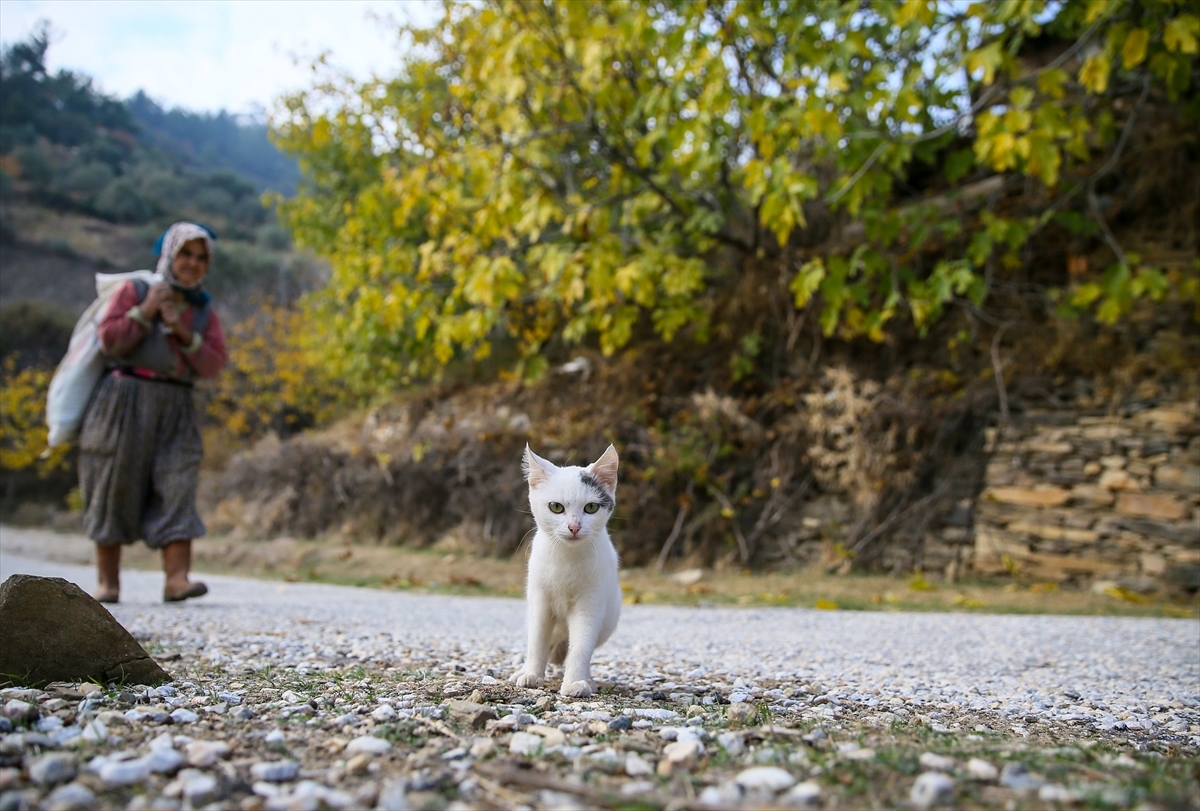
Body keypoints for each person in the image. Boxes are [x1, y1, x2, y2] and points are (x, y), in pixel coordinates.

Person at [78, 221, 228, 603]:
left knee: (178, 481)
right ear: (169, 255)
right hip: (123, 399)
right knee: (113, 480)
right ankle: (108, 583)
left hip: (176, 404)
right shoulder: (136, 290)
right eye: (185, 254)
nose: (193, 263)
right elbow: (109, 339)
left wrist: (182, 331)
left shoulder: (202, 310)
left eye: (201, 258)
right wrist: (146, 311)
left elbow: (213, 363)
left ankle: (177, 579)